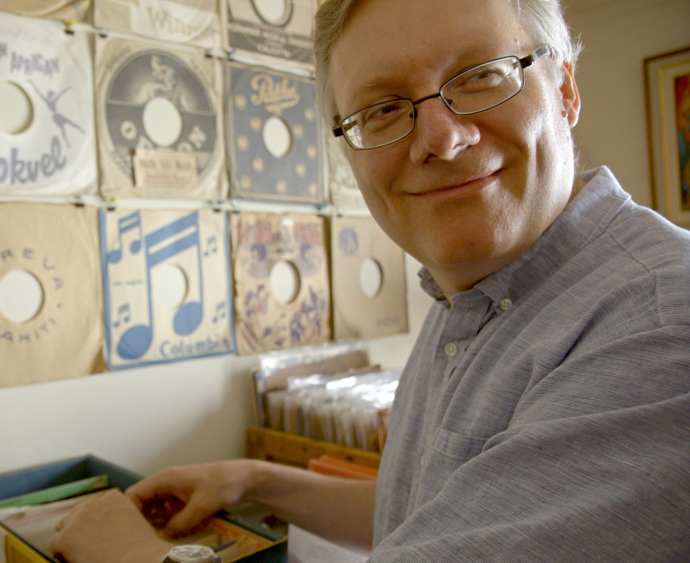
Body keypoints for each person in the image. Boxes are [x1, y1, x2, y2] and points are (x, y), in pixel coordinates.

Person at [49, 0, 690, 561]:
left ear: (565, 90)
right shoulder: (467, 295)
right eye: (382, 109)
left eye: (480, 77)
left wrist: (134, 555)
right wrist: (253, 482)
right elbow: (438, 515)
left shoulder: (663, 325)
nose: (441, 138)